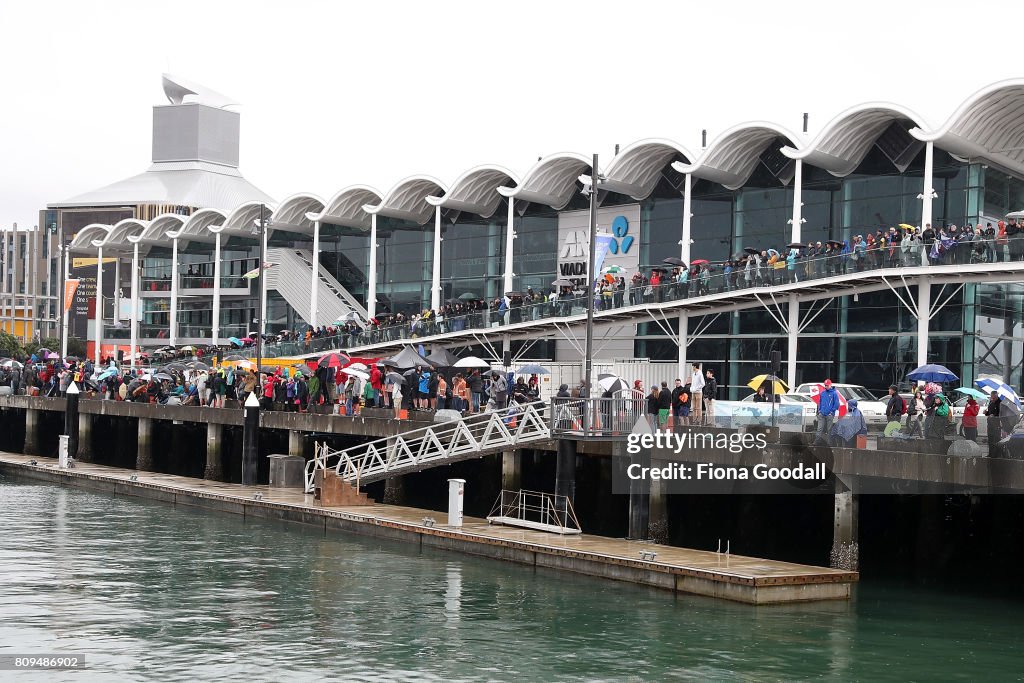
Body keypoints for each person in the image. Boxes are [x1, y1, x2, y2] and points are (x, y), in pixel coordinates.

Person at [815, 379, 840, 445]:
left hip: (829, 414)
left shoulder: (834, 393)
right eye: (825, 385)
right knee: (819, 428)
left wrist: (831, 412)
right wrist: (819, 411)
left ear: (830, 385)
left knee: (829, 429)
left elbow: (836, 404)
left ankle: (829, 443)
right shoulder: (823, 393)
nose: (826, 386)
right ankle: (817, 441)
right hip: (822, 413)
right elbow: (819, 402)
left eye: (827, 385)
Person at [984, 391, 1002, 456]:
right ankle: (990, 453)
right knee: (990, 440)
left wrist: (994, 415)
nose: (992, 398)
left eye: (994, 397)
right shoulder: (991, 402)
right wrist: (986, 413)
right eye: (992, 397)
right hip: (990, 424)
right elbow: (989, 412)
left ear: (996, 396)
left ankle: (997, 454)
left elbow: (1000, 413)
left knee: (996, 439)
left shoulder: (1000, 403)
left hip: (996, 424)